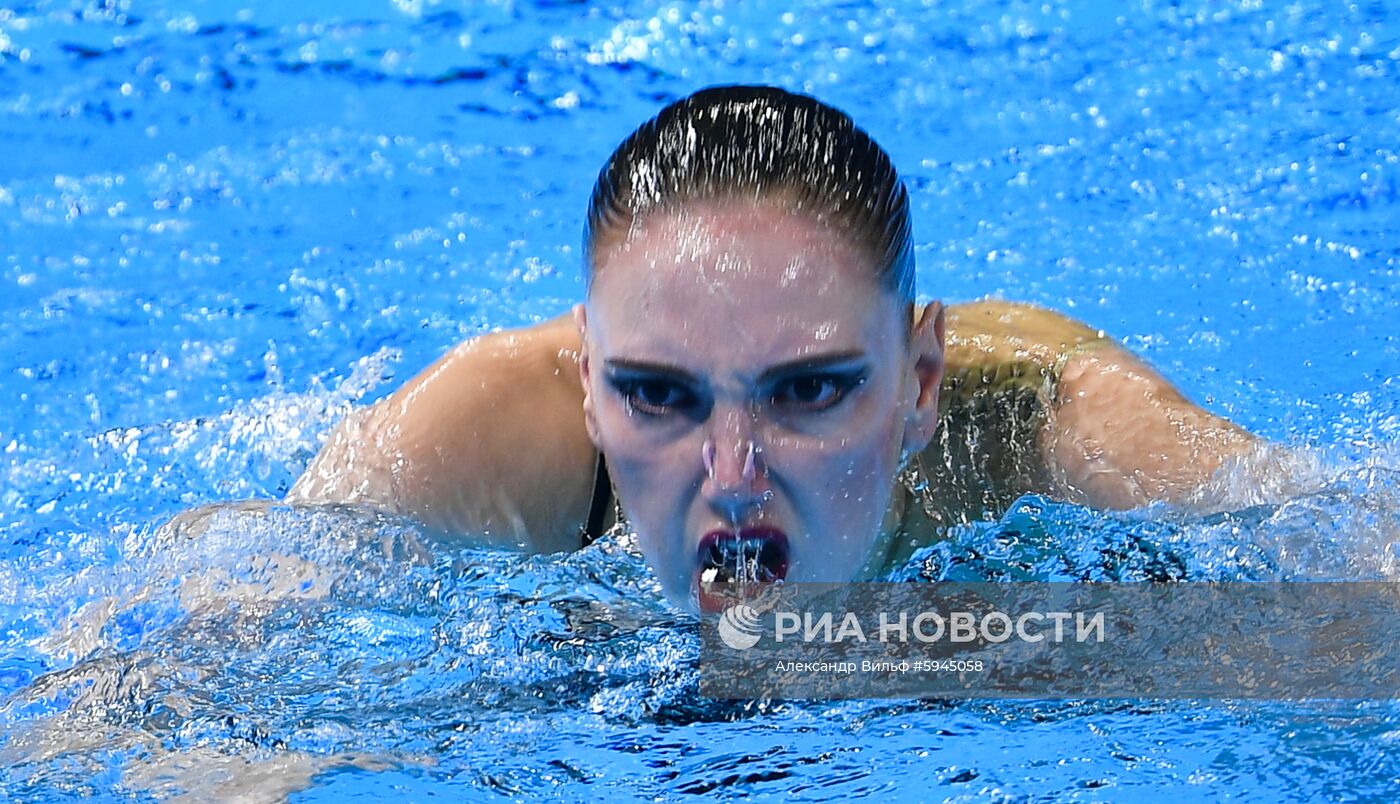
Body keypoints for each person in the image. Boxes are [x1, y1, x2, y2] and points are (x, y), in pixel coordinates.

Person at [286, 85, 1255, 612]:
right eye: (658, 396)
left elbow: (1352, 559)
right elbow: (201, 654)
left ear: (918, 385)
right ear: (587, 381)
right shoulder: (476, 444)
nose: (733, 474)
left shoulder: (1050, 426)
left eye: (807, 391)